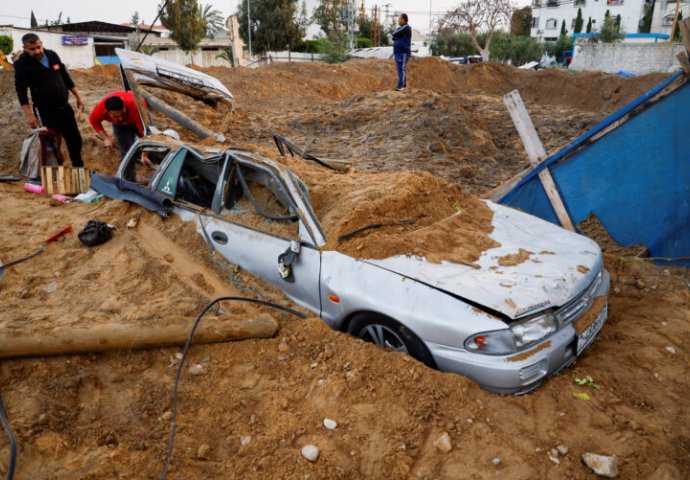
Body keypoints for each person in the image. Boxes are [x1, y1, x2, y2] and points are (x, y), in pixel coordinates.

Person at [14, 33, 85, 167]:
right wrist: (29, 114)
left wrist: (78, 96)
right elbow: (21, 91)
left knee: (75, 139)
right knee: (50, 142)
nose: (37, 51)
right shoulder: (22, 64)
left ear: (41, 43)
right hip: (44, 110)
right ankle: (55, 172)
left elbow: (65, 77)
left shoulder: (52, 55)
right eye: (32, 49)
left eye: (39, 47)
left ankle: (78, 166)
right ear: (24, 48)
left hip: (63, 107)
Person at [89, 91, 151, 166]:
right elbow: (94, 121)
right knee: (126, 150)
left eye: (122, 114)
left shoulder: (136, 108)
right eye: (116, 116)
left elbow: (146, 135)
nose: (121, 118)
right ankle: (129, 176)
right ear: (107, 112)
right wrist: (106, 138)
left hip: (138, 116)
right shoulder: (100, 110)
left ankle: (153, 158)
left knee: (153, 141)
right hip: (119, 125)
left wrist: (144, 155)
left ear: (124, 106)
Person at [392, 13, 412, 91]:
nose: (398, 20)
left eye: (399, 19)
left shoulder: (407, 27)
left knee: (402, 68)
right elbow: (393, 36)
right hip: (398, 52)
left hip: (404, 52)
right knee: (400, 68)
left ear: (403, 19)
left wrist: (397, 37)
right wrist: (397, 37)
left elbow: (395, 34)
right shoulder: (400, 28)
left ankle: (401, 86)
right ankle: (403, 84)